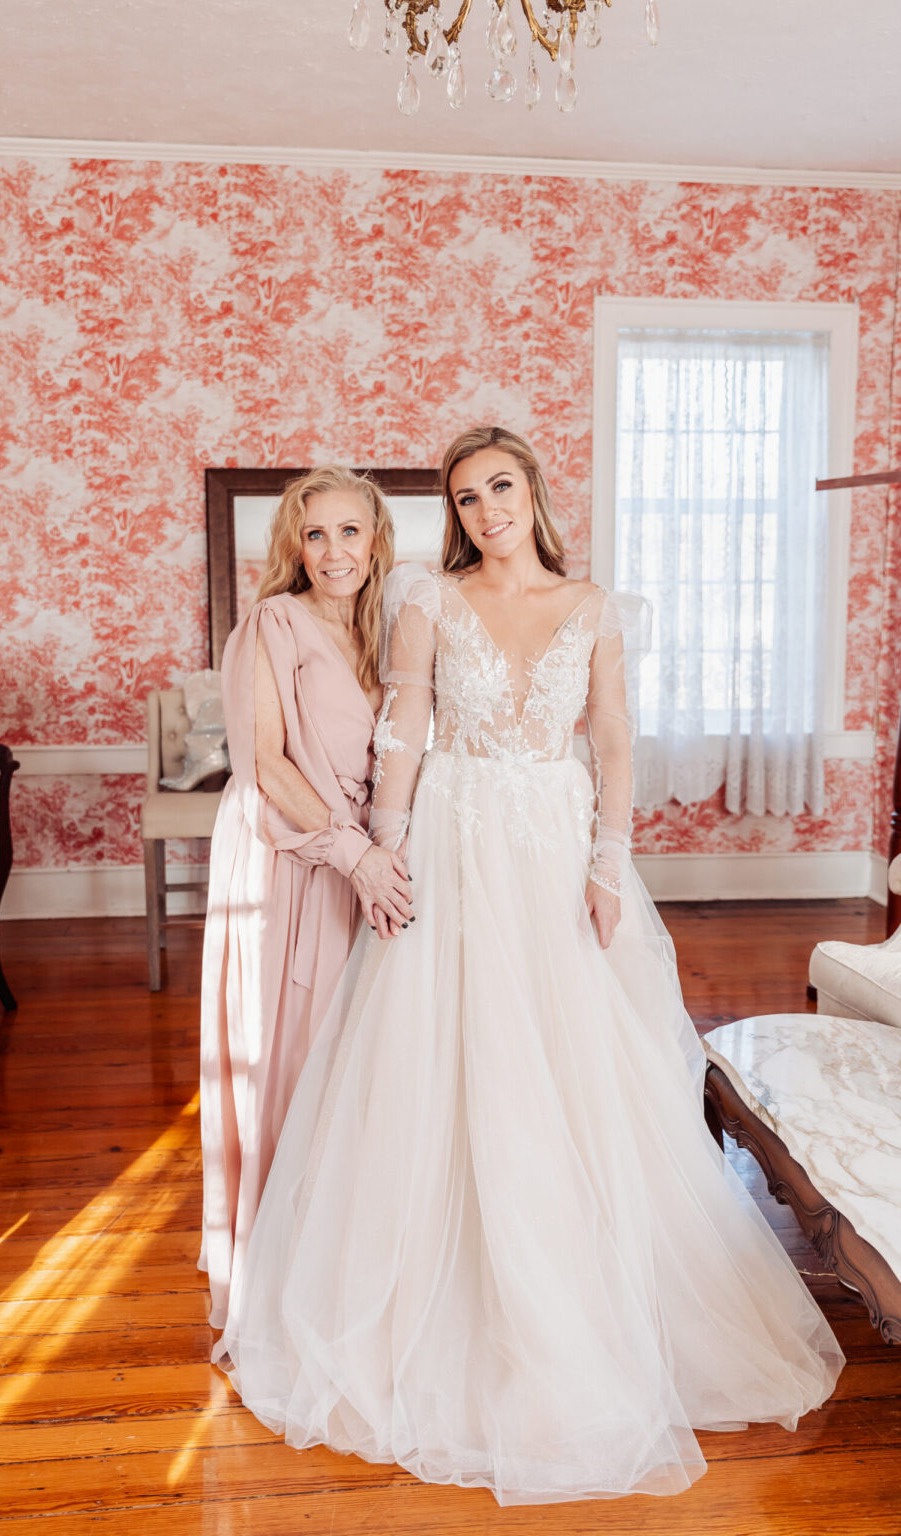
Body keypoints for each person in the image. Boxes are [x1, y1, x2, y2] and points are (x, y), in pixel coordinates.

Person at [218, 427, 843, 1505]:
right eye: (464, 498)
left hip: (553, 842)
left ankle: (585, 1295)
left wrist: (610, 862)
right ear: (451, 515)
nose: (484, 510)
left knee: (568, 1060)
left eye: (499, 488)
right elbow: (404, 728)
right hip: (452, 838)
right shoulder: (426, 597)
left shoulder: (596, 607)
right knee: (441, 1051)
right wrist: (390, 848)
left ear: (533, 493)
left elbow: (611, 738)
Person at [198, 466, 413, 1329]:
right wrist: (351, 855)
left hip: (360, 860)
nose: (334, 552)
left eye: (350, 533)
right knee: (296, 1053)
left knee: (361, 1051)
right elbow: (265, 763)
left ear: (375, 540)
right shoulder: (272, 625)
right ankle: (283, 1273)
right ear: (295, 545)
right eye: (315, 534)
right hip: (292, 862)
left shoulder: (388, 633)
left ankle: (349, 1252)